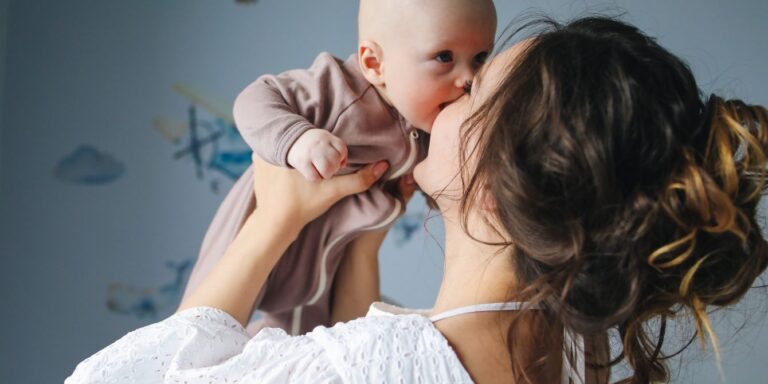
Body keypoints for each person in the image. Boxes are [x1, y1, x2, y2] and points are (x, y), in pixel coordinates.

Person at [66, 16, 768, 383]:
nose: (450, 93)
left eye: (476, 90)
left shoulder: (365, 369)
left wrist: (271, 223)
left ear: (493, 189)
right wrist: (362, 242)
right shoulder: (574, 359)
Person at [181, 0, 497, 336]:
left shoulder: (427, 123)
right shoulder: (338, 89)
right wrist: (297, 139)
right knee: (202, 330)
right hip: (258, 227)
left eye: (480, 58)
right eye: (444, 57)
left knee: (306, 338)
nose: (468, 79)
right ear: (374, 64)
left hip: (327, 260)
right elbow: (255, 98)